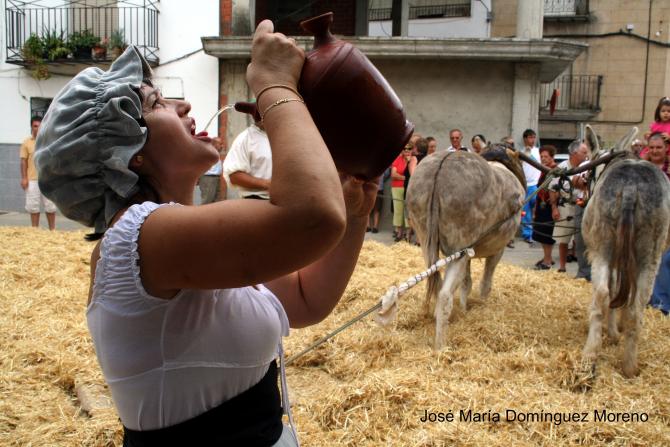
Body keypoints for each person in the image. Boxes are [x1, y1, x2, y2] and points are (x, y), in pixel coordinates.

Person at [35, 22, 379, 446]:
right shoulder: (141, 238)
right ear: (127, 152)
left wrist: (356, 214)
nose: (182, 105)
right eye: (156, 102)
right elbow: (313, 218)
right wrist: (273, 82)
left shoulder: (178, 238)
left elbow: (307, 300)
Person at [549, 140, 589, 273]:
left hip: (582, 205)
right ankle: (562, 267)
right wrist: (554, 208)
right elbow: (552, 188)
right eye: (584, 152)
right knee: (563, 238)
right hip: (565, 205)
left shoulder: (587, 167)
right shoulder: (562, 167)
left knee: (581, 238)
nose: (586, 155)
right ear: (574, 153)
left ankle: (582, 269)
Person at [20, 116, 57, 230]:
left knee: (50, 207)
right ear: (31, 127)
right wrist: (24, 178)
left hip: (47, 179)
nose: (38, 128)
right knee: (33, 207)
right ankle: (35, 231)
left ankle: (52, 231)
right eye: (35, 126)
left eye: (40, 126)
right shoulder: (26, 143)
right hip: (32, 180)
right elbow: (23, 161)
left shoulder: (49, 141)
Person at [223, 115, 272, 200]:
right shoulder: (246, 138)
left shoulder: (287, 136)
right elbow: (235, 176)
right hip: (257, 200)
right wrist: (268, 184)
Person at [532, 145, 558, 270]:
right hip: (541, 204)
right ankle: (548, 257)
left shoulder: (555, 170)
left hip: (549, 205)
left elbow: (555, 190)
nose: (543, 159)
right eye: (541, 156)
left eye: (546, 156)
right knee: (541, 232)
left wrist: (554, 207)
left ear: (552, 157)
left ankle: (547, 261)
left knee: (547, 233)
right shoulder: (544, 170)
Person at [520, 129, 541, 245]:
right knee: (526, 212)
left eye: (534, 137)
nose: (532, 140)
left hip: (537, 185)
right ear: (525, 139)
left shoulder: (538, 152)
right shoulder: (520, 152)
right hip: (525, 185)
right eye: (530, 137)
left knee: (538, 210)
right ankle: (527, 235)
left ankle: (538, 234)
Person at [391, 143, 412, 242]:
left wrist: (400, 176)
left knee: (407, 211)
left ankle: (408, 234)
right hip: (396, 187)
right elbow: (393, 174)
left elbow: (412, 174)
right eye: (404, 148)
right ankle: (399, 232)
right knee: (398, 210)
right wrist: (405, 178)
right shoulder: (397, 159)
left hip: (408, 188)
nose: (406, 150)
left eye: (409, 148)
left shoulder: (413, 160)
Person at [198, 136, 226, 203]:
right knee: (207, 200)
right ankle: (203, 210)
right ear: (214, 144)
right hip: (208, 178)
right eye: (220, 144)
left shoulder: (216, 153)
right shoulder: (208, 153)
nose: (222, 146)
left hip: (215, 178)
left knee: (215, 201)